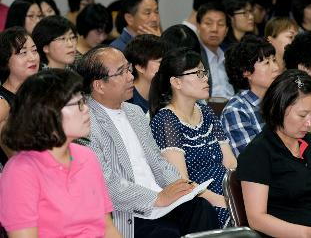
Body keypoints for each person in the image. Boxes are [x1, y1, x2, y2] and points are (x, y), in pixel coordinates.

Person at [74, 45, 219, 238]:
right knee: (167, 232)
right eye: (121, 72)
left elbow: (158, 162)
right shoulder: (84, 121)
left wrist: (181, 186)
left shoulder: (134, 112)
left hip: (162, 202)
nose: (131, 77)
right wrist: (156, 198)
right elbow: (105, 182)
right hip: (131, 212)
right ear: (99, 85)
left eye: (129, 69)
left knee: (202, 208)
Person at [0, 69, 121, 237]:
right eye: (78, 104)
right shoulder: (21, 171)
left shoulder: (87, 157)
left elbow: (108, 228)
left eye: (84, 101)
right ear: (47, 112)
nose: (86, 109)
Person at [237, 69, 311, 238]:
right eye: (302, 115)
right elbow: (257, 219)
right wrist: (307, 233)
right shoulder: (258, 152)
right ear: (278, 109)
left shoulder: (310, 143)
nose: (309, 122)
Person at [149, 48, 237, 228]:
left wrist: (240, 195)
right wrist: (226, 202)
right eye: (197, 73)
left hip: (228, 193)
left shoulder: (206, 111)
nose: (205, 78)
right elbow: (183, 184)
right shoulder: (166, 120)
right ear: (176, 82)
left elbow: (230, 163)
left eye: (204, 72)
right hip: (203, 204)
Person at [222, 35, 280, 156]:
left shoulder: (280, 99)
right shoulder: (236, 110)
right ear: (246, 71)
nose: (276, 68)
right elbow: (254, 160)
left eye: (274, 60)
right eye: (266, 63)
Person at [0, 27, 40, 167]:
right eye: (23, 53)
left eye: (34, 50)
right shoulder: (2, 103)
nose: (32, 57)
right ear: (6, 61)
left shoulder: (41, 93)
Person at [196, 2, 234, 99]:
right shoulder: (194, 58)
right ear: (198, 26)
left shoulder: (231, 57)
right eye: (208, 23)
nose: (214, 29)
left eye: (220, 24)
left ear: (226, 31)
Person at [124, 34, 167, 114]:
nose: (165, 65)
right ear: (140, 67)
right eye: (160, 62)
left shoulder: (165, 94)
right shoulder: (126, 101)